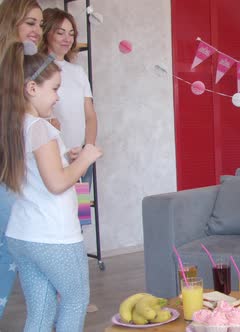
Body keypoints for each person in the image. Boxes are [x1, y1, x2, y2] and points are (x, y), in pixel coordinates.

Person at [0, 41, 102, 331]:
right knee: (75, 300)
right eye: (55, 88)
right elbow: (57, 183)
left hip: (22, 235)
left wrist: (66, 157)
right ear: (32, 88)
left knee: (41, 311)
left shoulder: (14, 125)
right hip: (53, 235)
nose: (58, 97)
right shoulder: (40, 127)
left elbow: (39, 171)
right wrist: (85, 158)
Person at [0, 0, 42, 319]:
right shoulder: (14, 59)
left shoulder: (21, 61)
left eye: (40, 25)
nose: (36, 32)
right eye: (30, 23)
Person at [39, 8, 97, 183]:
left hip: (80, 160)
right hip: (53, 160)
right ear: (46, 33)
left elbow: (90, 117)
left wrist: (87, 151)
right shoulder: (35, 70)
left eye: (71, 34)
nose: (67, 39)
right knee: (58, 210)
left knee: (81, 210)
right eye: (60, 33)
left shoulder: (78, 72)